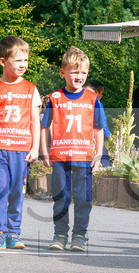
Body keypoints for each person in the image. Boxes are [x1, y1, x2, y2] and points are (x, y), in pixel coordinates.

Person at [40, 47, 105, 252]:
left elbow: (98, 129)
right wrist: (44, 151)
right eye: (74, 72)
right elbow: (45, 127)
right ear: (63, 73)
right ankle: (60, 234)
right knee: (61, 197)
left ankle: (79, 235)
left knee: (83, 198)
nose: (79, 77)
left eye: (83, 73)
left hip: (84, 157)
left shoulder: (92, 99)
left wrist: (99, 154)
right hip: (60, 156)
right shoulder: (54, 98)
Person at [0, 35, 40, 251]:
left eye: (25, 60)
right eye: (17, 60)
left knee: (17, 191)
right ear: (3, 61)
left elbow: (35, 120)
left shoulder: (31, 89)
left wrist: (35, 148)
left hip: (21, 150)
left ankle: (14, 232)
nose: (23, 65)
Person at [88, 81, 112, 170]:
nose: (101, 96)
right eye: (102, 93)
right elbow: (102, 123)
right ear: (96, 92)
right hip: (96, 139)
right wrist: (109, 135)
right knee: (105, 165)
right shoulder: (97, 103)